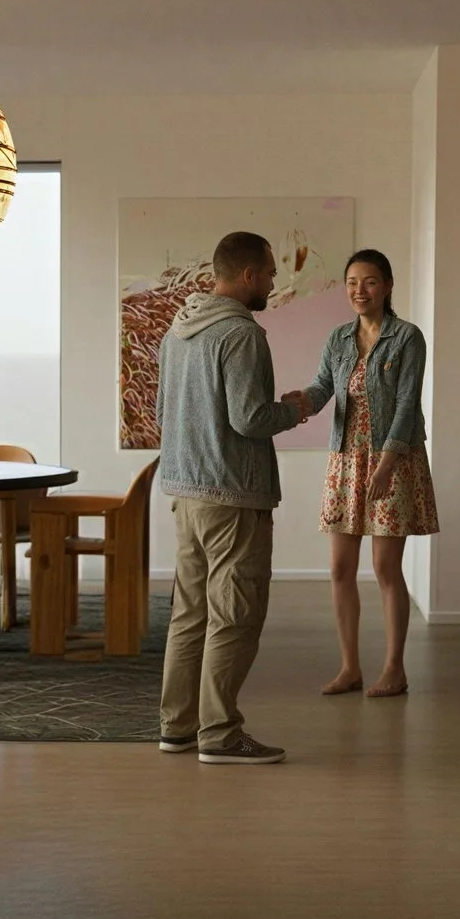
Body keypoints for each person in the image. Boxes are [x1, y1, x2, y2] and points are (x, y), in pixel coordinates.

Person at [155, 231, 322, 766]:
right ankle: (220, 735)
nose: (273, 282)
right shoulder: (241, 336)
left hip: (185, 493)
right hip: (232, 496)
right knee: (234, 616)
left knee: (189, 615)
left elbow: (162, 414)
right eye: (270, 273)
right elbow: (249, 418)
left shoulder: (177, 332)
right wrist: (297, 409)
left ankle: (177, 728)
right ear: (247, 275)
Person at [306, 248, 434, 699]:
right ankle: (349, 669)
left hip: (392, 459)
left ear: (388, 285)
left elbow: (405, 404)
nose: (360, 291)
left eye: (370, 282)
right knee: (340, 568)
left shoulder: (407, 338)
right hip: (345, 460)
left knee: (384, 567)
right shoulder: (338, 338)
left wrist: (385, 464)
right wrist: (297, 404)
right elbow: (324, 387)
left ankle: (394, 669)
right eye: (353, 283)